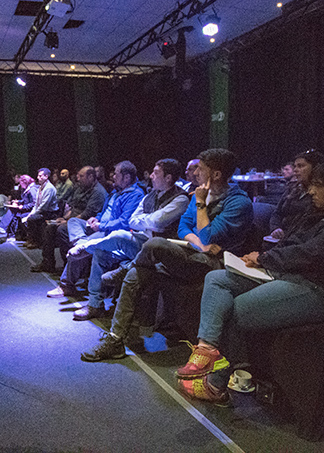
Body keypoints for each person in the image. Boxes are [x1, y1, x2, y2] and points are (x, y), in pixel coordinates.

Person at [174, 161, 324, 403]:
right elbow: (292, 243)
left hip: (321, 291)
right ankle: (207, 349)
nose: (311, 191)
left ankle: (215, 384)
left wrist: (264, 259)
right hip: (289, 275)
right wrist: (262, 258)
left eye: (318, 185)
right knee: (217, 278)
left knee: (234, 308)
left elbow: (310, 254)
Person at [80, 148, 253, 357]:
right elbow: (183, 227)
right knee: (138, 273)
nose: (195, 173)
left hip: (214, 263)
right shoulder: (199, 194)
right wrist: (200, 244)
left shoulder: (238, 202)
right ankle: (115, 339)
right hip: (195, 253)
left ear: (216, 174)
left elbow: (209, 235)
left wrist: (200, 205)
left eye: (200, 169)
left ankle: (128, 266)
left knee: (155, 244)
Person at [48, 159, 189, 307]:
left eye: (156, 172)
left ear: (168, 177)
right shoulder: (145, 194)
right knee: (89, 241)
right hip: (137, 238)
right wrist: (97, 219)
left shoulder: (178, 198)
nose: (151, 176)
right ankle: (94, 304)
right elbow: (133, 220)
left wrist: (104, 226)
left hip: (154, 247)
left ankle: (83, 248)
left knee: (118, 235)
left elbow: (153, 222)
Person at [59, 161, 145, 320]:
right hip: (100, 227)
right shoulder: (115, 192)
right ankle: (82, 244)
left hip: (112, 233)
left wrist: (101, 226)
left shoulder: (136, 194)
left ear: (126, 177)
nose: (113, 176)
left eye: (116, 174)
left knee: (98, 252)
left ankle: (92, 303)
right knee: (73, 222)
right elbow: (104, 212)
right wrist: (96, 219)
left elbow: (125, 222)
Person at [32, 166, 107, 273]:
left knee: (62, 229)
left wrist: (67, 221)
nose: (78, 178)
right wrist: (63, 218)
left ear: (90, 177)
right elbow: (73, 208)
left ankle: (70, 267)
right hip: (74, 219)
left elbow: (87, 214)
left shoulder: (98, 192)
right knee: (49, 227)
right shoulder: (81, 188)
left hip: (87, 223)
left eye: (81, 176)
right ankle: (48, 263)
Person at [269, 149, 324, 240]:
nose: (295, 170)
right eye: (295, 166)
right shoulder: (293, 188)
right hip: (280, 238)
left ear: (315, 169)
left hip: (298, 241)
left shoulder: (321, 195)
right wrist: (275, 228)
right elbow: (277, 213)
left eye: (300, 166)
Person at [0, 175, 36, 240]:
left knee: (14, 213)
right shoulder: (27, 189)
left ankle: (5, 229)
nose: (20, 185)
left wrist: (22, 207)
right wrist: (18, 202)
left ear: (25, 182)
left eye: (21, 183)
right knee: (12, 209)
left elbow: (33, 204)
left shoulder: (32, 190)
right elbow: (25, 200)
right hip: (26, 208)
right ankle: (6, 230)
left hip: (30, 210)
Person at [22, 168, 59, 247]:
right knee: (25, 216)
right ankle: (31, 239)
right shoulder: (40, 187)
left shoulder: (49, 188)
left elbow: (43, 206)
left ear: (46, 176)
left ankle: (36, 241)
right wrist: (31, 213)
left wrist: (32, 215)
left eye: (40, 176)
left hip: (50, 213)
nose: (38, 177)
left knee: (32, 219)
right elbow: (36, 204)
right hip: (42, 211)